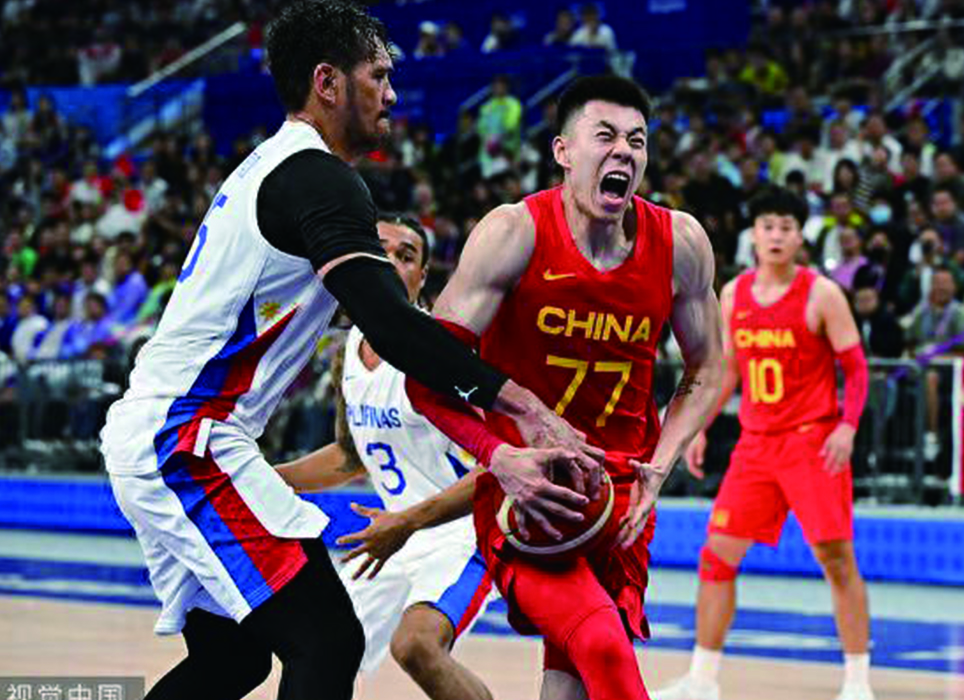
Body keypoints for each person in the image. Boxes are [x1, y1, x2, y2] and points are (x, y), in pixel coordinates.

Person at [98, 4, 599, 700]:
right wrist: (523, 406)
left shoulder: (267, 167)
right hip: (187, 437)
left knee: (234, 660)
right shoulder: (319, 176)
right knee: (328, 641)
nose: (391, 94)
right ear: (327, 82)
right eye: (378, 76)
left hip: (169, 432)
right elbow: (392, 325)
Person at [408, 75, 724, 700]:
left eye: (636, 140)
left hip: (623, 497)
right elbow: (428, 373)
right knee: (602, 646)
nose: (623, 151)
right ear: (563, 151)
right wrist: (499, 456)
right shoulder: (513, 233)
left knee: (572, 683)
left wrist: (660, 467)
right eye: (604, 136)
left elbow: (708, 368)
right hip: (528, 495)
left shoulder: (681, 243)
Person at [656, 186, 873, 700]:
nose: (776, 236)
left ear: (799, 237)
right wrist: (701, 426)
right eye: (767, 226)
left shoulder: (822, 294)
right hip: (755, 445)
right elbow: (729, 370)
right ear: (753, 235)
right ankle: (701, 681)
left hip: (811, 443)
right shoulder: (735, 294)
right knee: (716, 556)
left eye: (786, 228)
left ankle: (857, 682)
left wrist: (847, 427)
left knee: (837, 559)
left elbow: (857, 369)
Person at [276, 215, 498, 700]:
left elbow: (499, 467)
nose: (392, 262)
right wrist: (269, 478)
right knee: (319, 648)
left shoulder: (443, 349)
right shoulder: (349, 348)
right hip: (391, 535)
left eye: (406, 255)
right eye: (381, 250)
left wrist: (409, 522)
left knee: (417, 646)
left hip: (461, 534)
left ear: (422, 278)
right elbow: (350, 456)